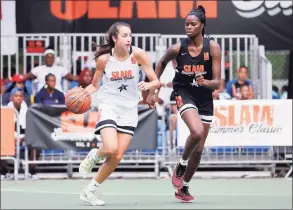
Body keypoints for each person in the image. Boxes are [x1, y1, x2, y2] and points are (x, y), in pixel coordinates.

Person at [76, 22, 160, 206]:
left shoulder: (138, 55)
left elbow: (156, 81)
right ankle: (94, 156)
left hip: (130, 109)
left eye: (130, 34)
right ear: (114, 38)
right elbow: (95, 86)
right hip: (109, 106)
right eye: (124, 35)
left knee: (117, 156)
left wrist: (149, 87)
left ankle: (89, 191)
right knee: (110, 147)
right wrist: (83, 94)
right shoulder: (104, 59)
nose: (129, 38)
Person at [147, 5, 221, 202]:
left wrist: (206, 82)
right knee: (196, 132)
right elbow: (161, 63)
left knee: (199, 149)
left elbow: (217, 83)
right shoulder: (177, 48)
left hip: (204, 96)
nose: (188, 27)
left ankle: (184, 188)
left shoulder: (213, 47)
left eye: (193, 24)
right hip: (183, 92)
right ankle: (181, 164)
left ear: (202, 26)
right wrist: (154, 90)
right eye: (186, 24)